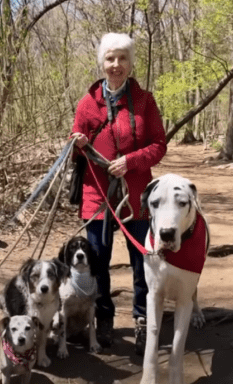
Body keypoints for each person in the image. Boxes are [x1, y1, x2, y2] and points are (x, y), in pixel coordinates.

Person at [70, 32, 167, 355]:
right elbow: (77, 148)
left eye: (122, 58)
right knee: (98, 262)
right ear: (102, 62)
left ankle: (142, 319)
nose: (116, 65)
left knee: (142, 260)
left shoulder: (144, 101)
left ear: (130, 63)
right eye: (110, 59)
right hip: (96, 194)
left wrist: (131, 162)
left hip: (136, 195)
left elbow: (158, 145)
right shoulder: (87, 103)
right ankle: (104, 319)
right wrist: (78, 145)